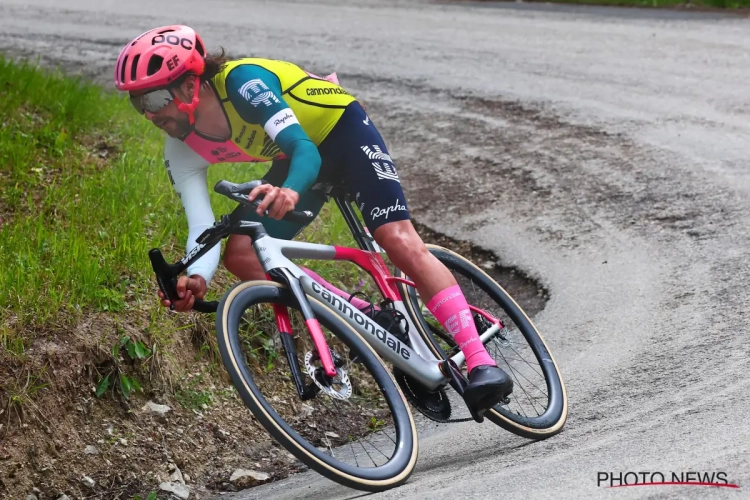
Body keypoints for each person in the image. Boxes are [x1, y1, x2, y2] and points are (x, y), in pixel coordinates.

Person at [114, 25, 512, 405]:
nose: (148, 115)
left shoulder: (244, 83)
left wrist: (289, 190)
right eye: (137, 104)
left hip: (339, 132)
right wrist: (198, 277)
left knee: (396, 237)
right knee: (241, 253)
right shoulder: (180, 148)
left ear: (188, 85)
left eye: (151, 100)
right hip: (296, 160)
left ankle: (481, 364)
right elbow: (203, 227)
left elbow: (304, 148)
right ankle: (369, 319)